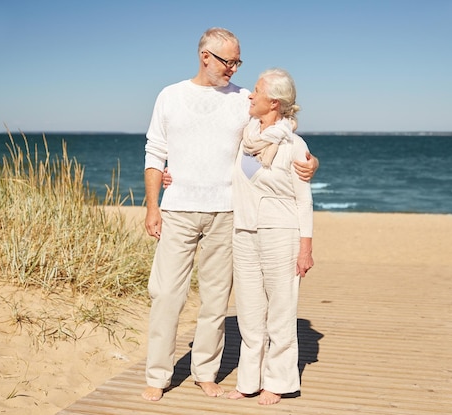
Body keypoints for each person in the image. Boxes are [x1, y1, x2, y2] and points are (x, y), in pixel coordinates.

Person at [142, 27, 318, 402]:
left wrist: (310, 162)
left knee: (216, 300)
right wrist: (153, 205)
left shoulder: (243, 99)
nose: (235, 69)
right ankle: (157, 375)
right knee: (166, 296)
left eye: (239, 61)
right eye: (229, 61)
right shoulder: (170, 96)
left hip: (228, 213)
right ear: (205, 56)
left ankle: (205, 372)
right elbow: (155, 153)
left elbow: (279, 128)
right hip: (177, 210)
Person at [227, 68, 313, 405]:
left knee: (280, 312)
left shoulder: (294, 144)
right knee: (249, 313)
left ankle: (277, 382)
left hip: (282, 234)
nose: (250, 94)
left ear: (273, 101)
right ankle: (248, 381)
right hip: (244, 232)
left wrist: (305, 248)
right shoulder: (245, 134)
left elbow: (304, 200)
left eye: (257, 90)